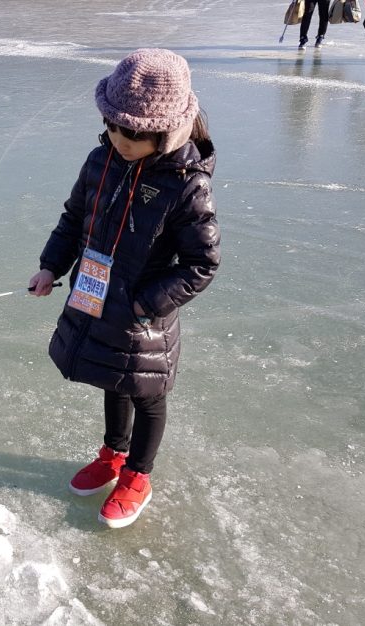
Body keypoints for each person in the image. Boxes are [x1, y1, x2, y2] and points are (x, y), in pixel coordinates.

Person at [29, 49, 220, 528]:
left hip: (142, 314)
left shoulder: (185, 185)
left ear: (167, 130)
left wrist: (146, 303)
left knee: (147, 394)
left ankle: (138, 474)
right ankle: (113, 454)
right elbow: (75, 219)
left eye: (134, 133)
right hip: (96, 297)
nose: (122, 140)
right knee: (109, 377)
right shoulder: (101, 159)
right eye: (114, 126)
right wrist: (51, 267)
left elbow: (202, 263)